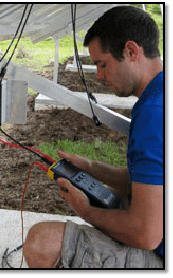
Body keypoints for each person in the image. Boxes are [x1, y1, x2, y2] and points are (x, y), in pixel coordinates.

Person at [23, 6, 163, 268]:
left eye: (103, 64)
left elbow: (146, 234)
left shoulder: (155, 114)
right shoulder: (159, 96)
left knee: (41, 243)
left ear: (131, 51)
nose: (98, 75)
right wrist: (90, 168)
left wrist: (86, 211)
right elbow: (149, 181)